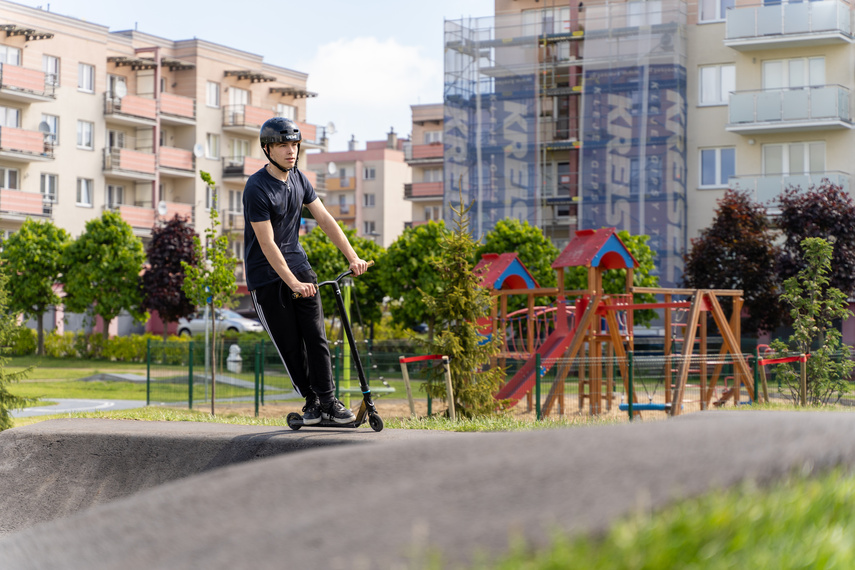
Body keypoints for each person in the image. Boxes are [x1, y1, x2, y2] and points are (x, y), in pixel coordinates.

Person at [243, 116, 369, 424]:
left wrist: (353, 257)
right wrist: (293, 283)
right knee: (290, 346)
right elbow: (267, 243)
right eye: (283, 145)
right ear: (267, 149)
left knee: (316, 337)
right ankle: (311, 402)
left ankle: (328, 401)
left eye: (295, 145)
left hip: (300, 268)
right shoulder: (256, 188)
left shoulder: (299, 178)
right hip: (267, 277)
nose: (291, 151)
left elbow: (324, 219)